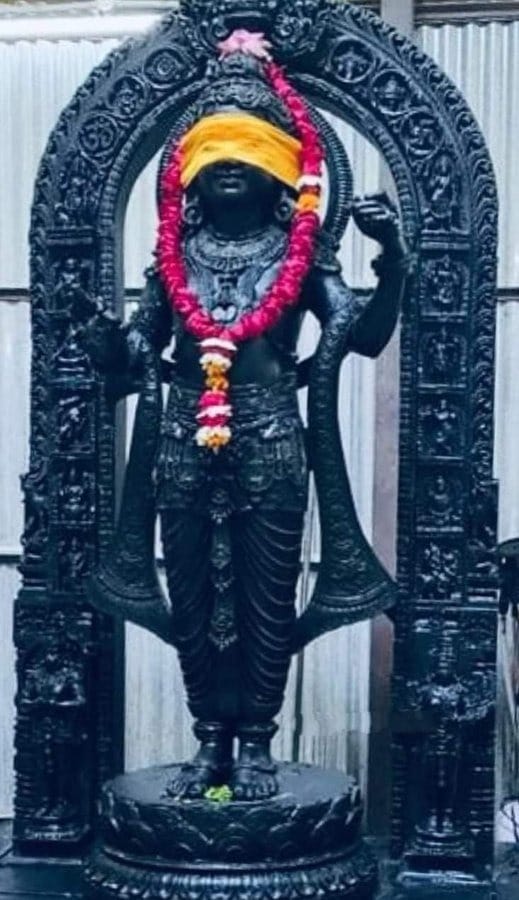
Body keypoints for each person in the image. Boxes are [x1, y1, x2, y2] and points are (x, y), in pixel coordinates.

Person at [86, 36, 409, 800]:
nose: (229, 162)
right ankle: (209, 740)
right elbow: (136, 353)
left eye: (246, 146)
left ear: (277, 168)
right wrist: (103, 339)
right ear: (192, 170)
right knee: (192, 597)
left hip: (268, 439)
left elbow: (362, 335)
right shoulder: (176, 256)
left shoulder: (300, 252)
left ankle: (257, 741)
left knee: (265, 597)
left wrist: (391, 258)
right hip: (181, 441)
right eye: (215, 148)